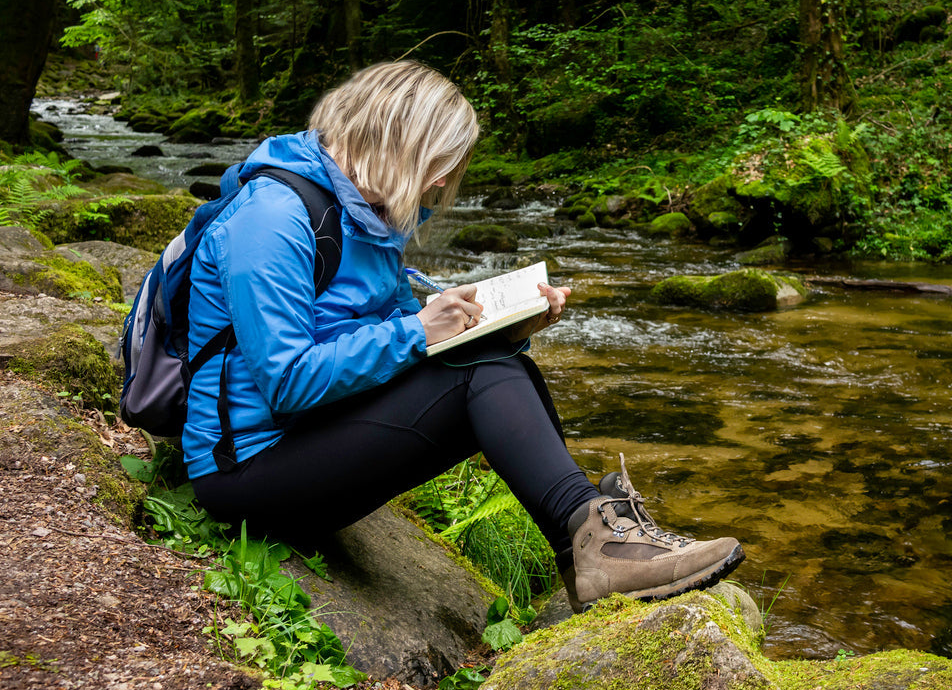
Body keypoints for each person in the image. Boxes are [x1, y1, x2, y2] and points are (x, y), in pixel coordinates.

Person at [183, 60, 744, 611]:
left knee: (499, 361)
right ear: (400, 141)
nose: (446, 180)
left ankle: (590, 549)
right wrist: (419, 330)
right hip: (246, 472)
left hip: (310, 435)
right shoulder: (272, 217)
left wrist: (506, 328)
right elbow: (287, 380)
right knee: (479, 370)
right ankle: (599, 543)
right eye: (441, 162)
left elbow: (397, 348)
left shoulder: (362, 214)